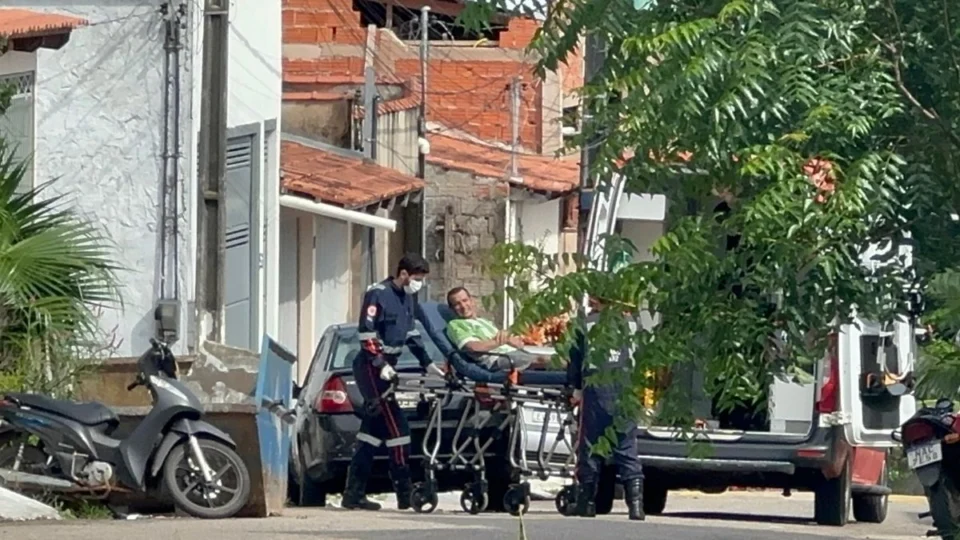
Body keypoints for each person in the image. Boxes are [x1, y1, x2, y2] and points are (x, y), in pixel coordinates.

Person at [342, 253, 445, 512]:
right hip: (371, 367)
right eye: (417, 279)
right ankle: (405, 492)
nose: (419, 284)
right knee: (398, 431)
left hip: (389, 366)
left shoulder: (408, 298)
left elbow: (411, 334)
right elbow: (366, 334)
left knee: (371, 434)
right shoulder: (377, 294)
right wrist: (381, 364)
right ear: (403, 274)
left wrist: (428, 363)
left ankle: (353, 493)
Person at [567, 297, 645, 521]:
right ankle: (636, 506)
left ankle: (587, 502)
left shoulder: (586, 323)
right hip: (626, 388)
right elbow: (640, 356)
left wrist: (574, 388)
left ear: (595, 299)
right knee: (627, 446)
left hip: (596, 389)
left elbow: (576, 357)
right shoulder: (633, 323)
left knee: (590, 445)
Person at [445, 286, 547, 371]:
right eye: (457, 304)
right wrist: (503, 340)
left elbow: (518, 345)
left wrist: (511, 340)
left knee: (553, 361)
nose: (463, 306)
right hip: (498, 359)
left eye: (465, 300)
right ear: (452, 309)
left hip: (513, 354)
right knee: (545, 362)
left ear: (471, 301)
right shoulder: (455, 325)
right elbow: (474, 348)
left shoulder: (484, 322)